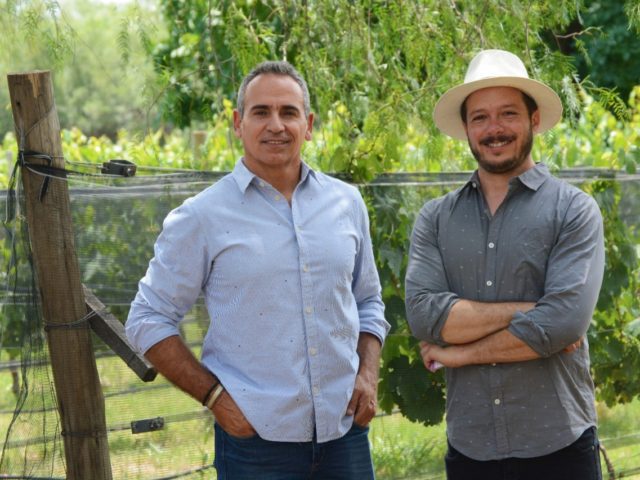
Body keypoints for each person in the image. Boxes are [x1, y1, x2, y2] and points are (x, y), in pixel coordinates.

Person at [126, 60, 389, 479]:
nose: (276, 125)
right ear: (238, 123)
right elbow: (146, 319)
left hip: (345, 434)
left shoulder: (347, 203)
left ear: (308, 125)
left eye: (289, 112)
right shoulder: (203, 216)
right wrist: (216, 398)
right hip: (255, 446)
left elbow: (368, 301)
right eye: (261, 111)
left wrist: (368, 375)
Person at [404, 49, 604, 480]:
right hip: (471, 448)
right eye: (480, 117)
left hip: (559, 446)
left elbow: (564, 323)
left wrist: (459, 354)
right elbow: (424, 316)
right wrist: (538, 312)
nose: (494, 129)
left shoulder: (573, 210)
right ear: (466, 128)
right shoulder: (435, 219)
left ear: (534, 119)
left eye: (508, 113)